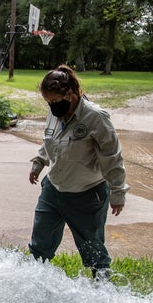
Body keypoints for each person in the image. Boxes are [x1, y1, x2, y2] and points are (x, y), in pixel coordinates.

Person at [28, 65, 129, 280]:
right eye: (48, 102)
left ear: (71, 93)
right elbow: (49, 140)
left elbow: (113, 157)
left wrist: (118, 193)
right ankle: (34, 287)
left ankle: (102, 292)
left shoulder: (95, 117)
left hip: (87, 194)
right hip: (53, 189)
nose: (52, 106)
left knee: (93, 250)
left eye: (55, 101)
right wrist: (39, 162)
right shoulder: (55, 113)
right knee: (39, 245)